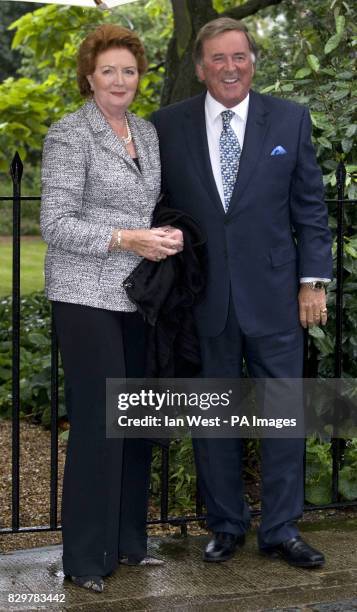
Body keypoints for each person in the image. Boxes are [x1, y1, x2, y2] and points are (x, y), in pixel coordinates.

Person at [151, 17, 332, 568]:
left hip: (277, 296)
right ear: (202, 67)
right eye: (219, 59)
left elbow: (310, 209)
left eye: (241, 56)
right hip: (205, 297)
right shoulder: (167, 126)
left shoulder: (290, 119)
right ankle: (226, 524)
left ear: (253, 60)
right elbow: (156, 207)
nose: (231, 67)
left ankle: (281, 528)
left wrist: (312, 282)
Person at [40, 24, 183, 592]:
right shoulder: (69, 134)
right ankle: (84, 559)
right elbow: (56, 224)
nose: (120, 80)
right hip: (84, 294)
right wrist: (128, 238)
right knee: (101, 423)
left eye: (128, 70)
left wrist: (165, 236)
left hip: (138, 293)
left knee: (138, 418)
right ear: (89, 77)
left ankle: (128, 540)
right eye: (108, 71)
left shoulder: (145, 133)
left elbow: (152, 205)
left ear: (138, 77)